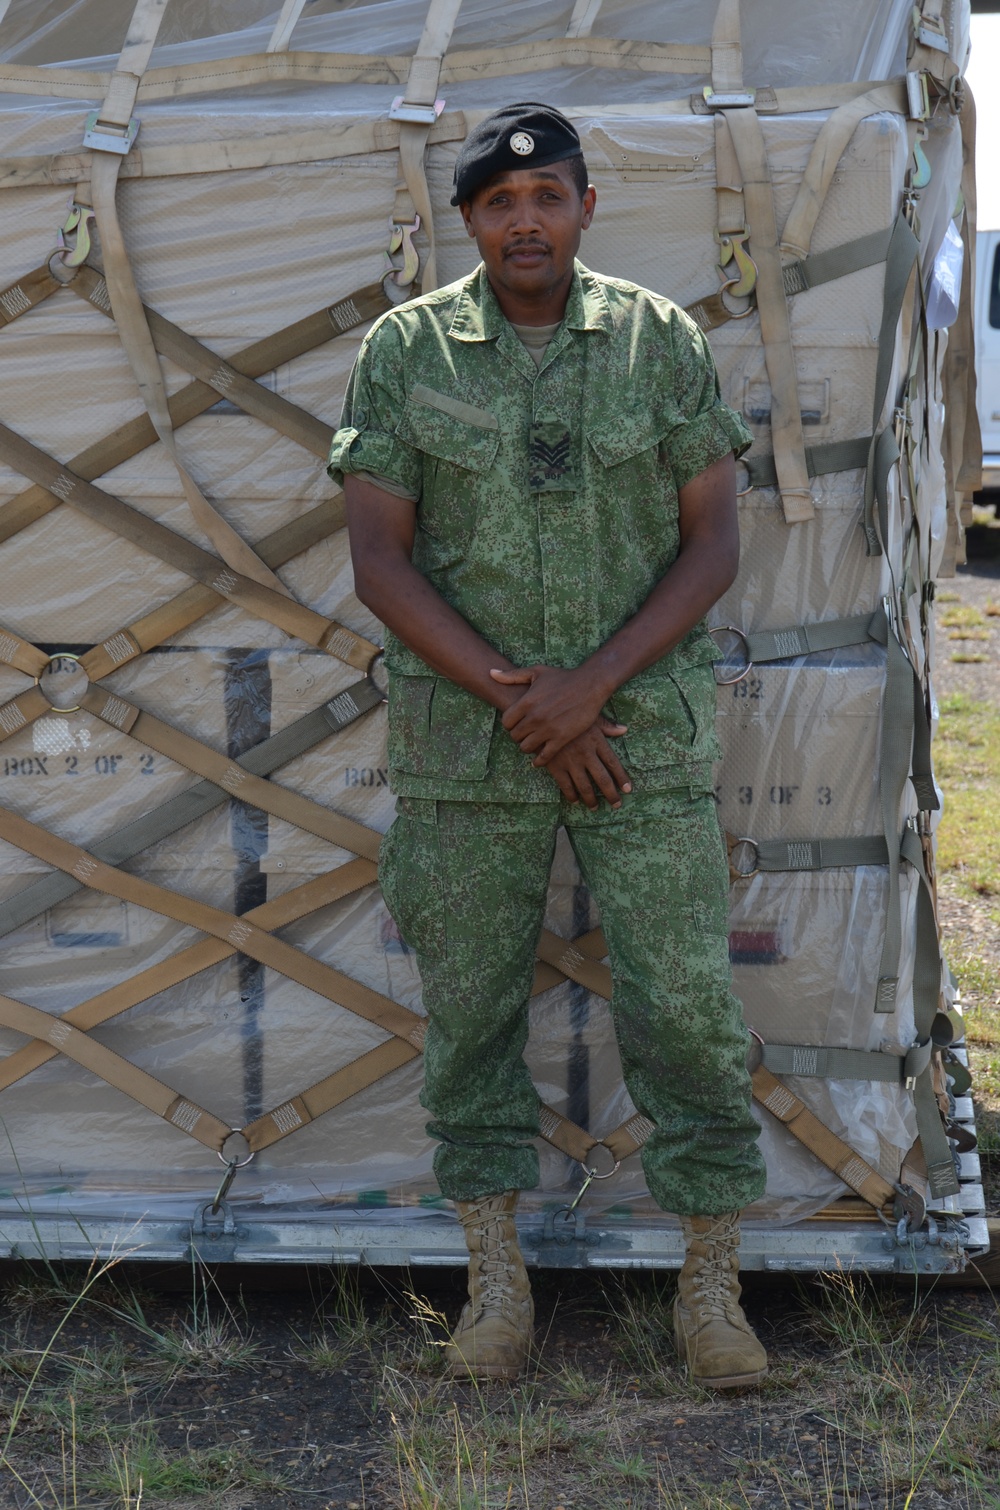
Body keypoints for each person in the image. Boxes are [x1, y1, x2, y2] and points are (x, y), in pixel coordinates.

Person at [328, 102, 768, 1390]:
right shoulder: (408, 351)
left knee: (686, 1004)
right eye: (501, 204)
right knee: (467, 1014)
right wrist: (533, 704)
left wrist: (589, 692)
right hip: (470, 750)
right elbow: (377, 558)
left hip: (640, 736)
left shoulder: (655, 342)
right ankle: (494, 1283)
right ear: (468, 221)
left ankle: (711, 1286)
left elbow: (714, 542)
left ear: (584, 208)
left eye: (551, 198)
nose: (527, 220)